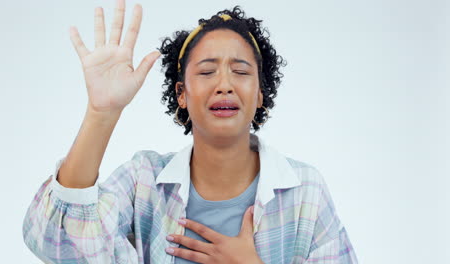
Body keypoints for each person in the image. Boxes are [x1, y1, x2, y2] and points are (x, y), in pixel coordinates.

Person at [22, 0, 359, 263]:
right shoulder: (144, 181)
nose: (224, 84)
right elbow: (57, 244)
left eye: (240, 71)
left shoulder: (305, 192)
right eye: (207, 71)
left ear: (260, 93)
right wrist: (101, 113)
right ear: (181, 94)